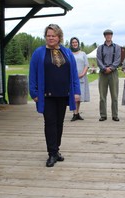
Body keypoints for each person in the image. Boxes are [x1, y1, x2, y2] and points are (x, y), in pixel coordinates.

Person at [29, 24, 80, 167]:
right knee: (50, 123)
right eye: (48, 35)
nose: (51, 38)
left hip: (63, 94)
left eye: (54, 35)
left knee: (59, 123)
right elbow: (32, 73)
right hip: (46, 95)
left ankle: (56, 150)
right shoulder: (39, 53)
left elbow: (74, 74)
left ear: (59, 37)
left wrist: (76, 92)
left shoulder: (67, 52)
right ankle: (51, 153)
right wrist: (33, 92)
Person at [96, 29, 121, 121]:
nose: (108, 36)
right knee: (102, 96)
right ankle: (103, 115)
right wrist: (104, 68)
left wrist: (111, 68)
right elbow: (98, 60)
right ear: (104, 36)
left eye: (110, 34)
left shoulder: (117, 47)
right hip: (103, 73)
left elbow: (118, 60)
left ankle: (115, 115)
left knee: (114, 95)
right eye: (107, 35)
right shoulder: (100, 48)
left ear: (112, 36)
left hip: (113, 72)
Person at [69, 37, 90, 121]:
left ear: (78, 43)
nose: (74, 44)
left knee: (79, 97)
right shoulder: (69, 53)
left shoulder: (83, 54)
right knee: (74, 96)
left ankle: (77, 112)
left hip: (82, 77)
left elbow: (86, 65)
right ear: (71, 44)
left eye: (76, 42)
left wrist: (82, 74)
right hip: (72, 78)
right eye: (73, 42)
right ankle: (74, 113)